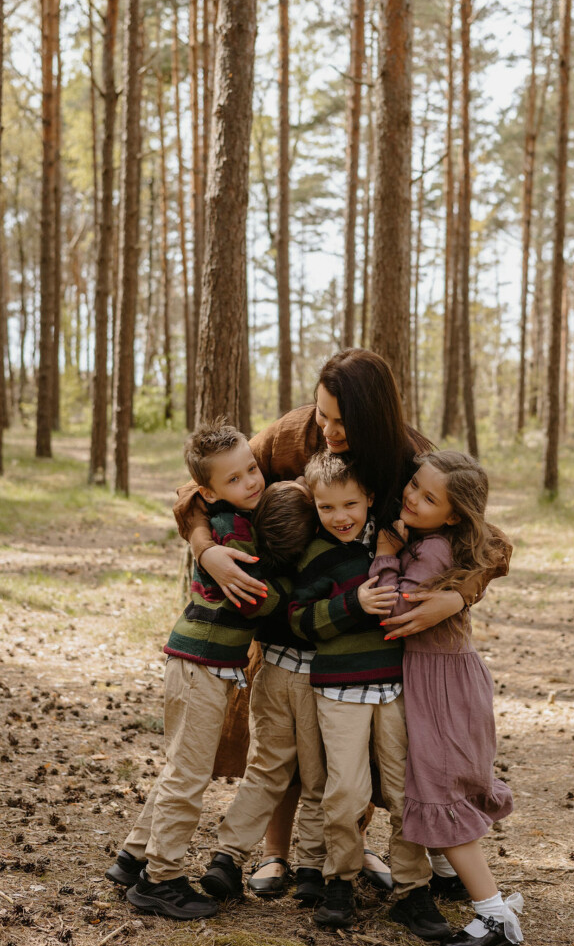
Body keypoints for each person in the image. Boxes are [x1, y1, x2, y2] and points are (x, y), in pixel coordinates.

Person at [172, 349, 504, 891]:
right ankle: (274, 856)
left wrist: (457, 598)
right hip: (285, 622)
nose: (325, 429)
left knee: (351, 756)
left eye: (340, 421)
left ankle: (339, 856)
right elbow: (199, 488)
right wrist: (206, 548)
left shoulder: (408, 456)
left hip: (364, 639)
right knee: (278, 752)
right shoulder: (291, 432)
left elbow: (488, 541)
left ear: (373, 418)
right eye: (322, 414)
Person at [105, 422, 317, 919]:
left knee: (180, 766)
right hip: (200, 665)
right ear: (208, 491)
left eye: (252, 469)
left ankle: (131, 858)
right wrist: (298, 587)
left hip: (204, 665)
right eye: (235, 479)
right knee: (189, 775)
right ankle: (161, 879)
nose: (252, 482)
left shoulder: (237, 517)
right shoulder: (229, 532)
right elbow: (257, 601)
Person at [287, 452, 452, 942]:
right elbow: (299, 620)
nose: (340, 517)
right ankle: (340, 880)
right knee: (347, 792)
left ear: (370, 500)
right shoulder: (315, 554)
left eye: (350, 504)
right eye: (327, 507)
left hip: (396, 686)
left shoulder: (398, 543)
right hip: (338, 691)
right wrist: (351, 604)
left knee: (404, 790)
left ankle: (412, 890)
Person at [369, 450, 524, 946]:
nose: (412, 497)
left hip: (443, 685)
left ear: (454, 515)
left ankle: (494, 915)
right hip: (443, 676)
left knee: (441, 789)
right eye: (414, 485)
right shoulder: (438, 538)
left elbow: (395, 611)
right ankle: (462, 886)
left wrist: (387, 553)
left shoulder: (432, 550)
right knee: (438, 782)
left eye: (428, 497)